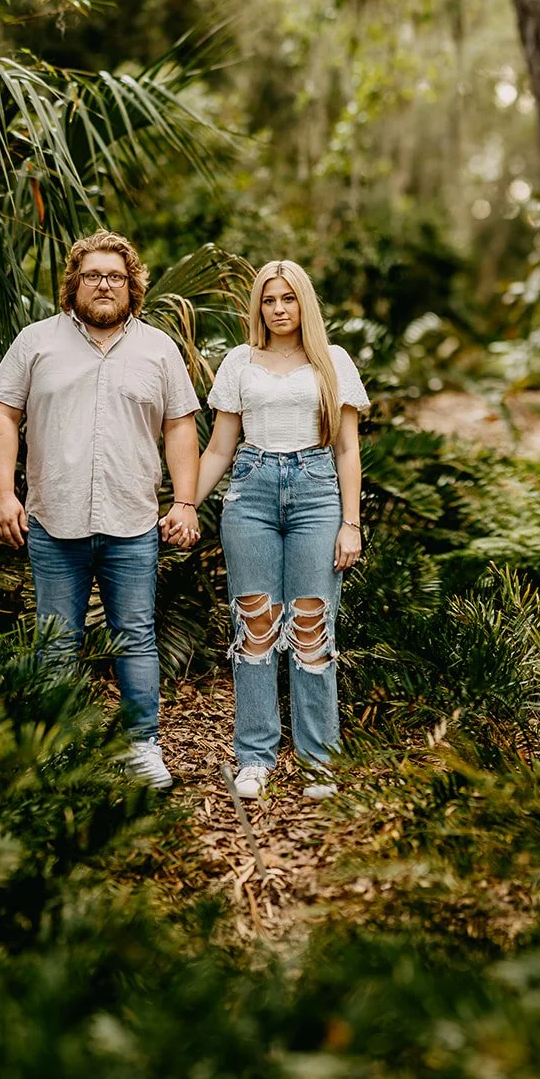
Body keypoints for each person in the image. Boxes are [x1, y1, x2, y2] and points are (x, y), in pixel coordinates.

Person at [0, 230, 201, 790]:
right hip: (53, 521)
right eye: (93, 275)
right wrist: (3, 493)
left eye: (116, 277)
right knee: (56, 640)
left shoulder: (159, 349)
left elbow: (180, 426)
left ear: (132, 287)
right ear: (74, 283)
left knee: (135, 635)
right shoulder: (36, 342)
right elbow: (4, 416)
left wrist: (185, 501)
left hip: (133, 522)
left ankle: (141, 747)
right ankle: (55, 749)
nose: (104, 285)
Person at [194, 260, 368, 800]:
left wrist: (351, 523)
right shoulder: (239, 362)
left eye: (288, 298)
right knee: (255, 626)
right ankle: (254, 757)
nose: (278, 309)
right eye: (268, 300)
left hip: (317, 492)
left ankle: (319, 760)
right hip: (251, 493)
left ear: (304, 303)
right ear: (259, 307)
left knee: (313, 627)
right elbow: (219, 448)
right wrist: (183, 504)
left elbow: (347, 448)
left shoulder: (333, 361)